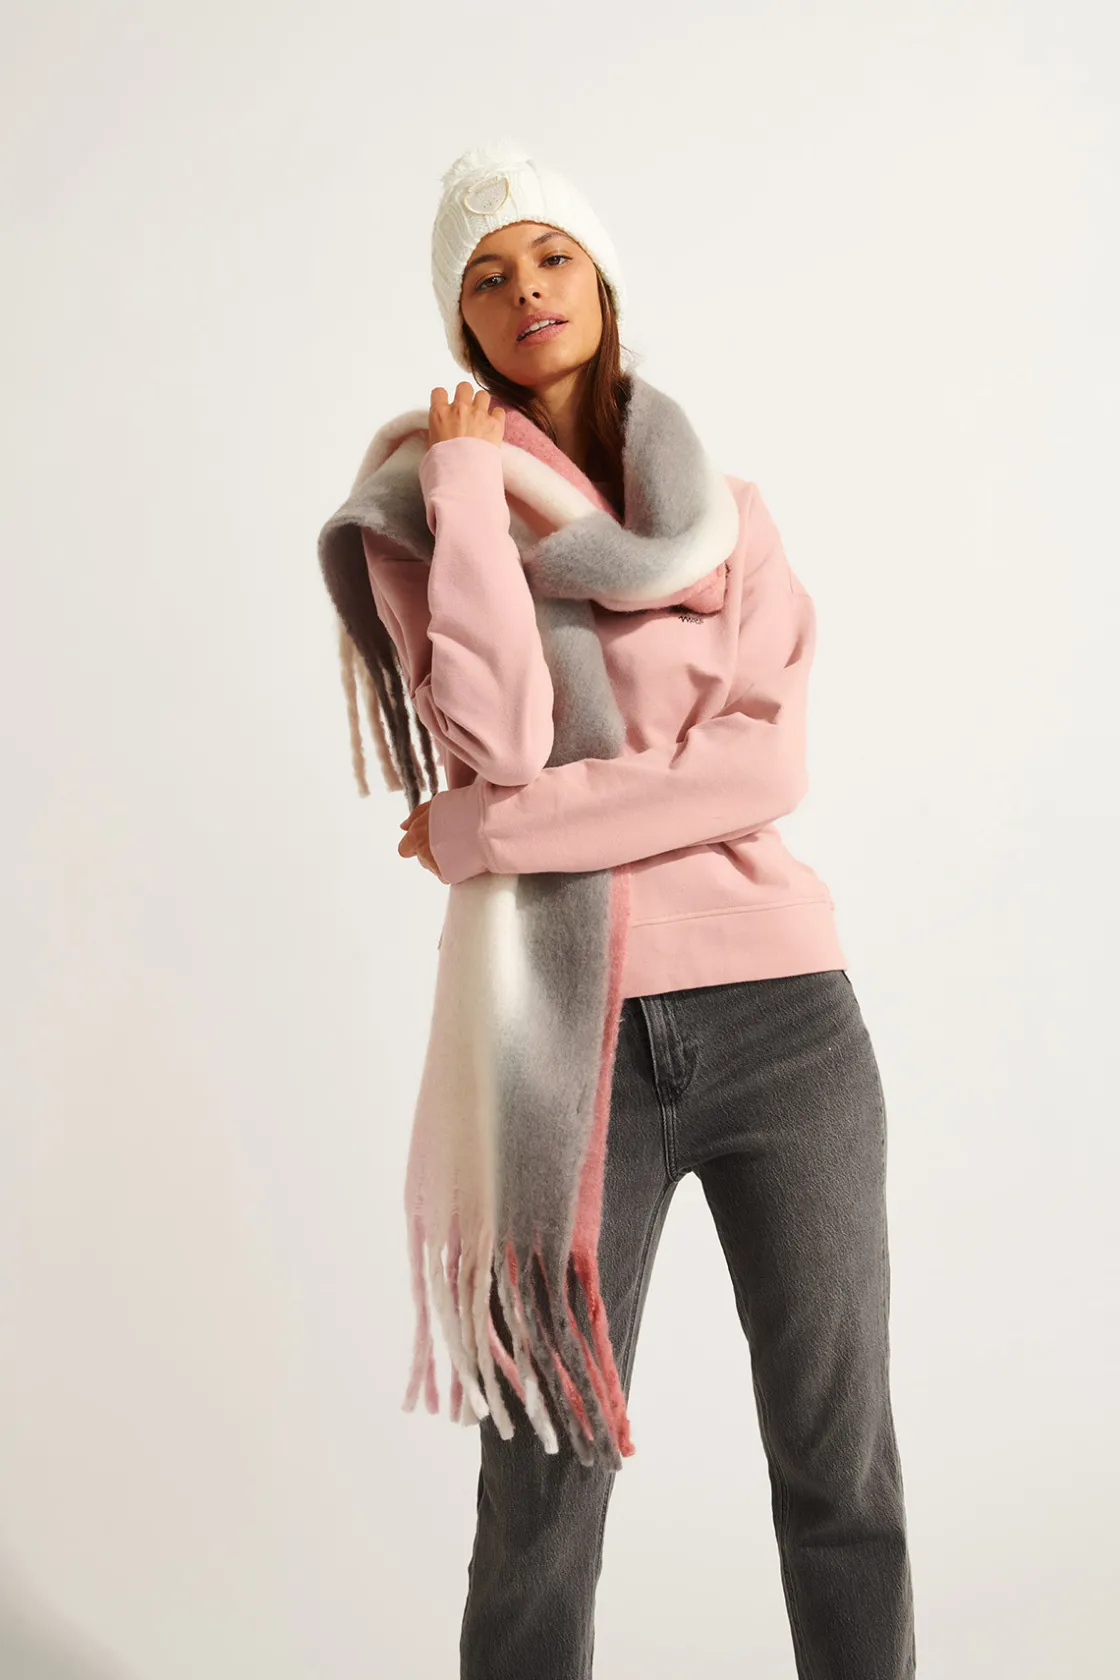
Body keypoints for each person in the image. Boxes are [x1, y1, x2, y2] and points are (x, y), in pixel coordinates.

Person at [338, 142, 916, 1679]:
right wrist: (471, 500)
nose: (525, 289)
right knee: (542, 1490)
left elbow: (760, 767)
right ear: (461, 321)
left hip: (787, 1023)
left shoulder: (730, 523)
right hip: (560, 1047)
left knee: (839, 1466)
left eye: (552, 257)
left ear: (599, 281)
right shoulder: (425, 516)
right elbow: (501, 735)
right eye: (486, 275)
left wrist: (496, 835)